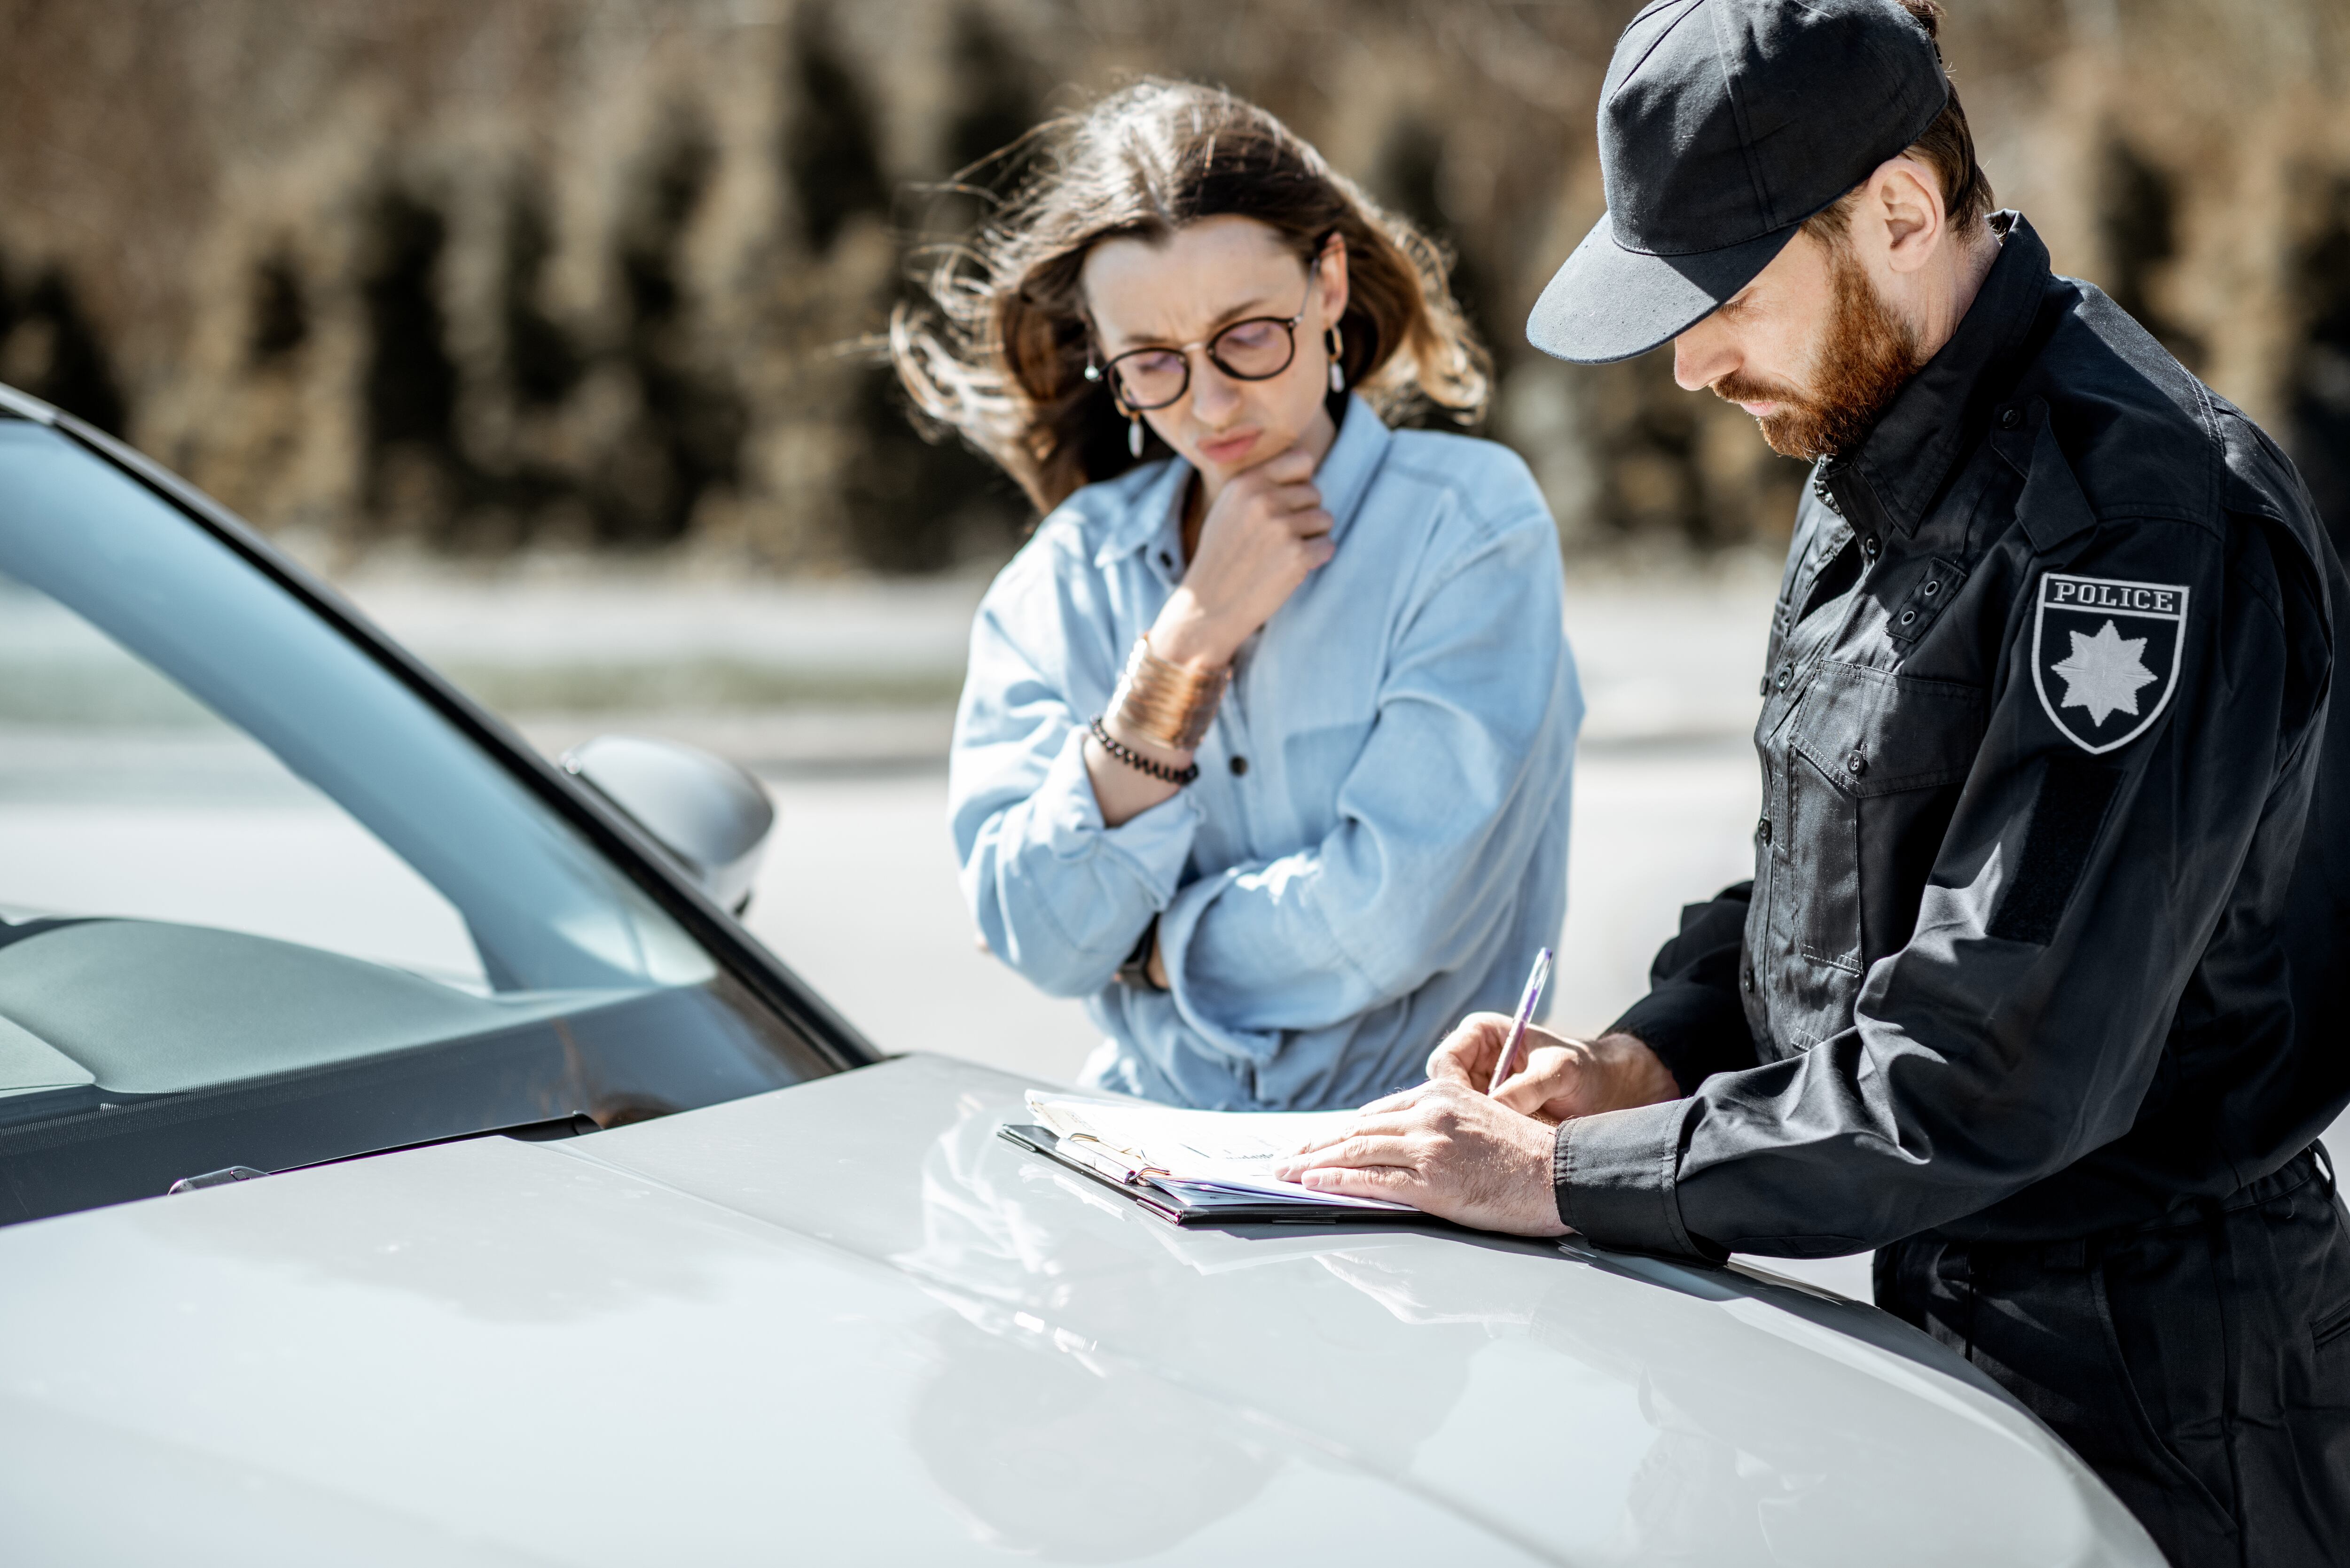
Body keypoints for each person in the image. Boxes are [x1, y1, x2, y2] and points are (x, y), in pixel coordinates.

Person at [1275, 1, 2350, 1560]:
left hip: (2162, 1382)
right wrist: (1646, 1055)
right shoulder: (1885, 429)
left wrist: (1567, 1177)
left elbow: (1989, 1061)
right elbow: (1831, 862)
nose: (1693, 359)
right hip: (1940, 1308)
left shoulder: (2139, 529)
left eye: (1722, 290)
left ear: (1900, 210)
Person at [900, 82, 1580, 1112]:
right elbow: (1037, 937)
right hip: (1135, 1162)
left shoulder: (1470, 527)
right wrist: (1178, 655)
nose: (1211, 403)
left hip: (1411, 1185)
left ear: (1330, 285)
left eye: (1248, 335)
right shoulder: (1066, 575)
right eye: (1153, 364)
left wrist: (1154, 949)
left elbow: (1391, 919)